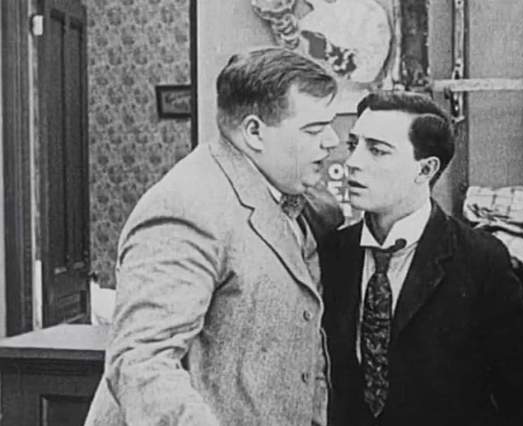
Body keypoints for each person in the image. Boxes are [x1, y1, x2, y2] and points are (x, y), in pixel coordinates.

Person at [85, 47, 343, 426]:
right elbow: (140, 362)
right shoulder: (189, 206)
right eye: (314, 130)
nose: (332, 141)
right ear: (254, 132)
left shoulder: (291, 196)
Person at [320, 91, 523, 426]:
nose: (353, 162)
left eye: (377, 150)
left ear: (425, 169)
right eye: (353, 145)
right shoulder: (333, 252)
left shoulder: (479, 258)